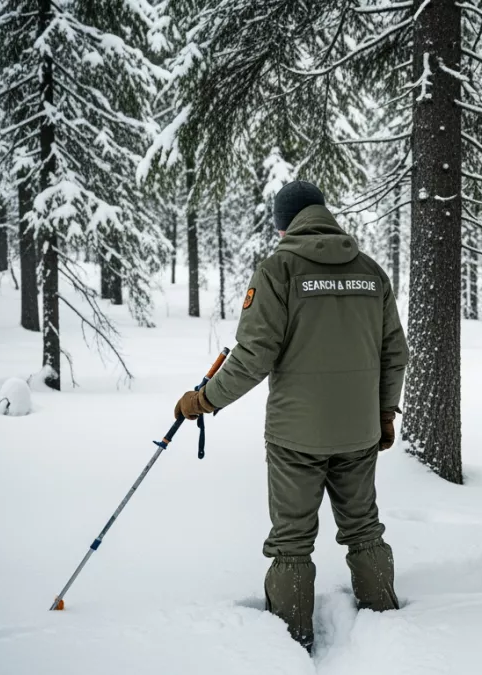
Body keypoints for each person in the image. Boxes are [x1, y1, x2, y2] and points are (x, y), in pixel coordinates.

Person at [173, 180, 408, 651]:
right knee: (363, 530)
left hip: (295, 438)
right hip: (358, 433)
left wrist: (204, 400)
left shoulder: (278, 269)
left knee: (291, 542)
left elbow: (252, 356)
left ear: (284, 225)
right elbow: (394, 352)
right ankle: (387, 629)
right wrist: (384, 413)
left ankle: (289, 646)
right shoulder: (370, 271)